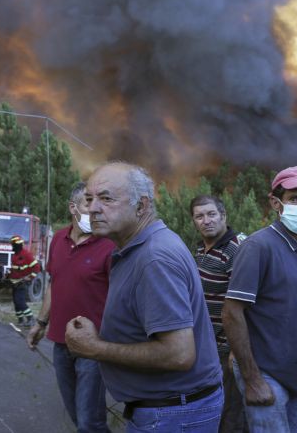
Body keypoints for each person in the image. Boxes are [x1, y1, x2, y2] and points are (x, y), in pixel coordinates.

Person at [64, 162, 223, 433]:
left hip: (172, 415)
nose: (92, 208)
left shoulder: (154, 258)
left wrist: (94, 348)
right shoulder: (137, 248)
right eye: (89, 199)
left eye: (106, 198)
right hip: (169, 411)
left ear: (142, 206)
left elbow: (179, 354)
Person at [222, 165, 297, 433]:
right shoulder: (259, 246)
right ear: (276, 203)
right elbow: (232, 313)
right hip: (264, 372)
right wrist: (252, 379)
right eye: (295, 199)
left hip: (293, 372)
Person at [27, 182, 115, 433]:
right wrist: (40, 323)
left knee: (90, 422)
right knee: (78, 416)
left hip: (93, 347)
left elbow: (119, 297)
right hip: (61, 343)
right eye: (88, 201)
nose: (95, 208)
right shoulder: (58, 239)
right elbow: (55, 284)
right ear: (72, 208)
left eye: (100, 201)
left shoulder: (109, 245)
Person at [190, 194, 247, 433]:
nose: (206, 221)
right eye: (199, 216)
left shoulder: (236, 249)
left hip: (227, 350)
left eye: (211, 214)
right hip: (206, 347)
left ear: (223, 216)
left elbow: (246, 304)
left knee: (229, 415)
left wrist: (236, 349)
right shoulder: (200, 249)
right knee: (209, 408)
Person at [8, 235, 40, 327]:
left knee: (20, 301)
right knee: (16, 302)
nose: (12, 247)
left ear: (18, 245)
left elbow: (36, 267)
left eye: (13, 245)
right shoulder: (15, 255)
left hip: (22, 282)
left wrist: (30, 277)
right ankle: (21, 320)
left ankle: (31, 318)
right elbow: (15, 269)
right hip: (14, 282)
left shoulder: (26, 254)